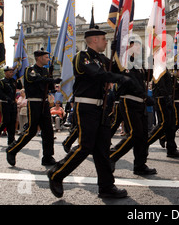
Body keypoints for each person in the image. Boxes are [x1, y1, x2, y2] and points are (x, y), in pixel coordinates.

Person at [48, 26, 131, 199]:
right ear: (94, 40)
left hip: (101, 108)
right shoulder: (82, 57)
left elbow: (114, 69)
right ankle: (57, 173)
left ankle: (107, 187)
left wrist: (120, 52)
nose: (105, 41)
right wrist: (113, 77)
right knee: (85, 147)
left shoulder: (102, 59)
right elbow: (98, 74)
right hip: (86, 107)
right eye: (103, 39)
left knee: (102, 149)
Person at [6, 49, 61, 167]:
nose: (48, 59)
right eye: (46, 57)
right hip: (34, 103)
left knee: (48, 131)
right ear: (39, 58)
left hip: (44, 103)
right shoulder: (30, 70)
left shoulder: (46, 71)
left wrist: (53, 83)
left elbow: (49, 87)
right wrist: (50, 79)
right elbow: (35, 79)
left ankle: (47, 156)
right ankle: (12, 150)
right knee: (31, 131)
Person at [0, 66, 19, 145]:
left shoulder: (13, 81)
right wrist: (7, 98)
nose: (11, 73)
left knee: (12, 121)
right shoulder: (2, 81)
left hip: (13, 104)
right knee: (6, 121)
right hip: (5, 103)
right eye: (10, 72)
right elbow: (0, 93)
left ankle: (11, 140)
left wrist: (18, 77)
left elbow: (19, 87)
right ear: (5, 72)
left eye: (12, 72)